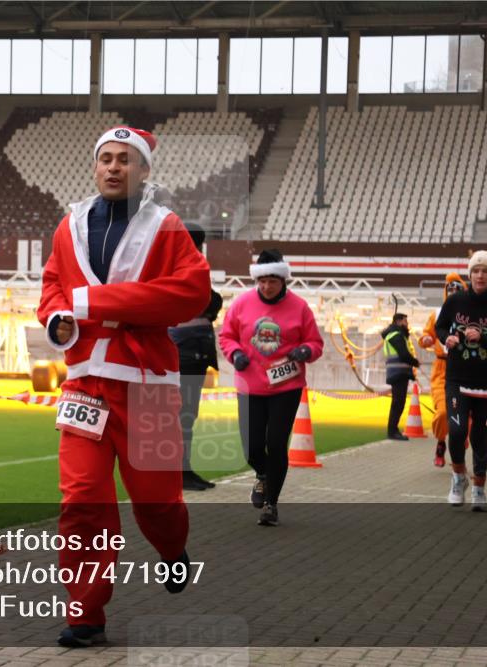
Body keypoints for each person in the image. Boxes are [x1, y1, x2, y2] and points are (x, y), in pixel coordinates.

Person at [38, 125, 211, 647]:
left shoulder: (169, 227)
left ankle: (173, 551)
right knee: (83, 500)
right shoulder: (68, 226)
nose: (113, 167)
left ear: (145, 170)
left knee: (158, 502)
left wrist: (92, 304)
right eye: (105, 159)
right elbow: (51, 285)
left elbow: (189, 292)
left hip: (149, 386)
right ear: (95, 167)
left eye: (125, 160)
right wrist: (55, 321)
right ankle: (86, 613)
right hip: (85, 386)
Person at [219, 249, 324, 526]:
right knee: (252, 448)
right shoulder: (241, 303)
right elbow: (226, 335)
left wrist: (305, 350)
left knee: (276, 444)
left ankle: (271, 504)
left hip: (285, 388)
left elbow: (316, 344)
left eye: (272, 281)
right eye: (262, 281)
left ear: (283, 280)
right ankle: (263, 476)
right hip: (250, 386)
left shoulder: (300, 307)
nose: (266, 286)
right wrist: (235, 354)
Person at [436, 250, 487, 511]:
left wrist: (483, 338)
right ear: (469, 274)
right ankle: (459, 476)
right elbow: (440, 326)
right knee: (457, 432)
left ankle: (479, 488)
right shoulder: (455, 301)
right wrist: (445, 338)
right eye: (476, 270)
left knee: (480, 437)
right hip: (457, 378)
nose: (480, 275)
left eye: (486, 271)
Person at [168, 223, 223, 491]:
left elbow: (207, 300)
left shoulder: (191, 266)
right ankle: (177, 472)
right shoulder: (178, 267)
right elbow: (203, 300)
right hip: (184, 349)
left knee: (186, 414)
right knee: (181, 415)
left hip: (193, 349)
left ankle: (183, 470)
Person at [418, 273, 468, 465]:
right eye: (450, 289)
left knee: (465, 417)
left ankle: (459, 454)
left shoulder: (470, 313)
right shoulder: (437, 314)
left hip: (464, 368)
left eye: (457, 288)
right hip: (441, 369)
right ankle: (441, 442)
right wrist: (426, 340)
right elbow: (424, 336)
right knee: (443, 412)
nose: (453, 292)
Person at [381, 313, 420, 441]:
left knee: (398, 402)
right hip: (398, 373)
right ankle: (392, 431)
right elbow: (404, 355)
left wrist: (410, 373)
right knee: (398, 403)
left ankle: (393, 430)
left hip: (398, 373)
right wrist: (415, 362)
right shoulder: (396, 336)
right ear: (398, 322)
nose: (407, 324)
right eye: (405, 321)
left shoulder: (396, 335)